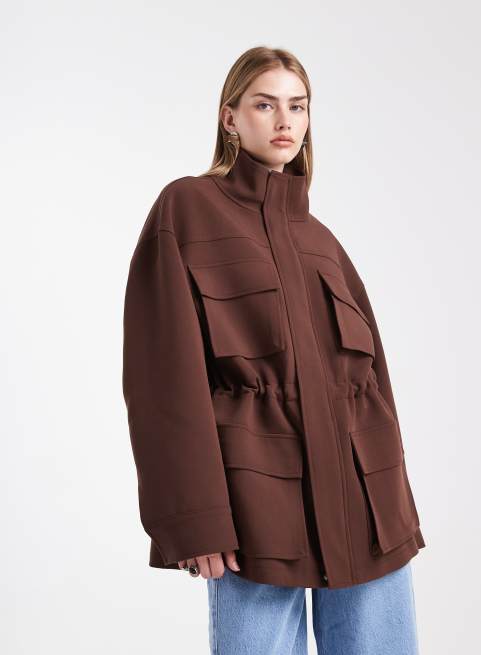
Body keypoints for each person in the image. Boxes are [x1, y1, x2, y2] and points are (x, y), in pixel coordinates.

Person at [122, 46, 426, 655]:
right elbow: (162, 381)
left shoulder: (321, 240)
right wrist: (195, 517)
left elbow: (375, 388)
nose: (285, 121)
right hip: (256, 504)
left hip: (367, 503)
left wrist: (397, 503)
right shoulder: (186, 208)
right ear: (229, 117)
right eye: (265, 105)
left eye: (298, 106)